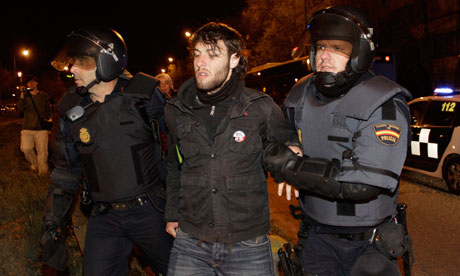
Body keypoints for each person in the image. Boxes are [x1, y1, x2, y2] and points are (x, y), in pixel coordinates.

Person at [264, 6, 412, 276]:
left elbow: (361, 183)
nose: (325, 56)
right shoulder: (301, 94)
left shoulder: (383, 102)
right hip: (316, 239)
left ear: (359, 53)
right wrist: (289, 144)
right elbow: (280, 127)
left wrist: (290, 168)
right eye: (320, 47)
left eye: (338, 49)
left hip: (369, 246)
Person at [164, 22, 301, 276]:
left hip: (247, 244)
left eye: (212, 54)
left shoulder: (261, 107)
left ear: (235, 59)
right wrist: (172, 213)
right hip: (190, 240)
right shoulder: (176, 110)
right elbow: (174, 164)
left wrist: (293, 152)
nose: (200, 62)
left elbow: (289, 139)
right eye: (197, 54)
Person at [41, 26, 173, 275]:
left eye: (82, 62)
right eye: (72, 62)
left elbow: (181, 154)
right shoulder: (69, 110)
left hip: (152, 213)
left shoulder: (145, 97)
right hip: (104, 218)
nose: (72, 69)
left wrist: (183, 209)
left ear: (107, 62)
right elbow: (65, 173)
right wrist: (52, 225)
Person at [17, 74, 51, 175]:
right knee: (26, 148)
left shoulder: (44, 96)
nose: (31, 83)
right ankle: (35, 163)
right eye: (29, 82)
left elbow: (48, 112)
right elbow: (20, 109)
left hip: (41, 128)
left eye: (33, 81)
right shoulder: (25, 97)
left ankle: (42, 171)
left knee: (42, 151)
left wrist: (49, 126)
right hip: (27, 127)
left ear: (36, 83)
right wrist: (22, 96)